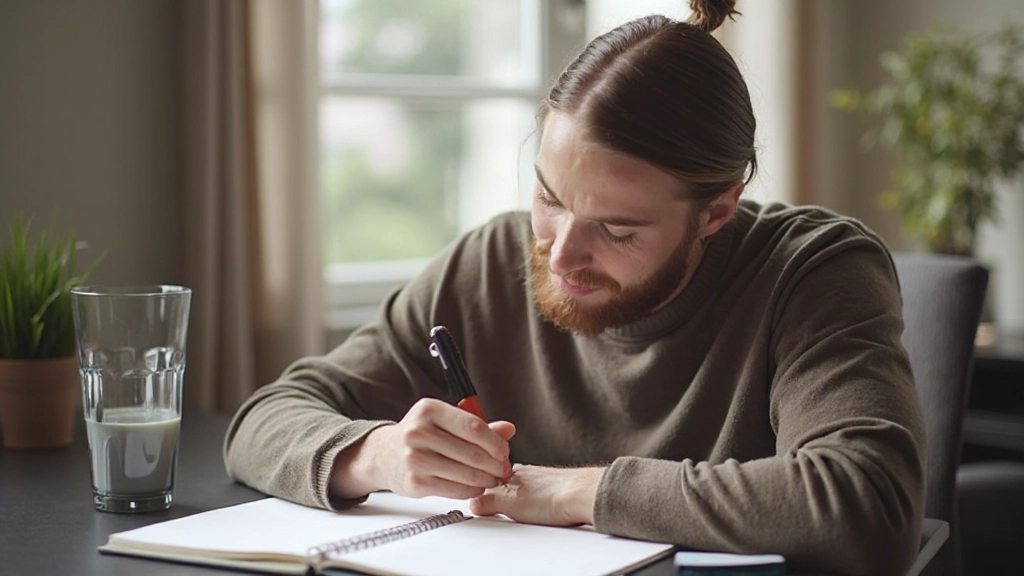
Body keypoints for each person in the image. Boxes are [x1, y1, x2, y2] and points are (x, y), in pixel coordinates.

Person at [224, 2, 925, 575]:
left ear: (716, 210)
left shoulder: (814, 270)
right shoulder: (490, 262)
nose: (562, 255)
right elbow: (264, 419)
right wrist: (375, 454)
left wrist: (570, 490)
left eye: (618, 231)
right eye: (550, 197)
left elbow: (867, 503)